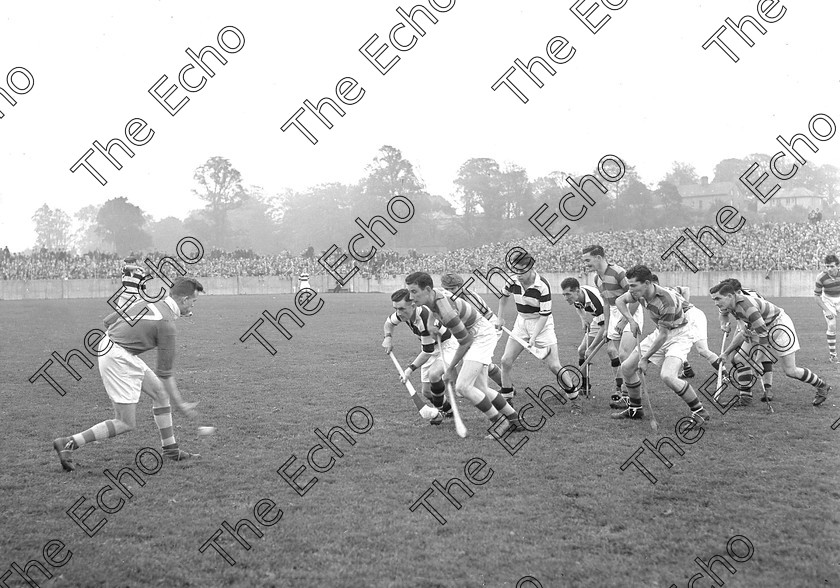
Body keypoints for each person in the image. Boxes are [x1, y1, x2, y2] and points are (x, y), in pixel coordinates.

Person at [52, 277, 204, 472]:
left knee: (160, 394)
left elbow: (108, 321)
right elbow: (165, 373)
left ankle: (171, 450)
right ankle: (68, 443)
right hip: (118, 356)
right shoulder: (167, 325)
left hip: (113, 346)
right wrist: (181, 404)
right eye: (193, 301)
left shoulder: (151, 300)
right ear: (183, 299)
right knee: (125, 421)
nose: (193, 305)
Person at [405, 272, 522, 434]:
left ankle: (500, 422)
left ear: (426, 289)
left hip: (480, 335)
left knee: (463, 387)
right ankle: (515, 419)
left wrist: (450, 368)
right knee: (480, 388)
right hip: (473, 334)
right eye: (409, 291)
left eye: (414, 292)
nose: (410, 297)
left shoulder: (446, 311)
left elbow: (465, 342)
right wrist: (432, 324)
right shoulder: (434, 293)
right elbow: (432, 308)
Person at [613, 265, 711, 426]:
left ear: (646, 283)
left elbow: (664, 336)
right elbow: (620, 300)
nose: (630, 289)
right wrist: (631, 320)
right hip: (660, 332)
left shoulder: (666, 300)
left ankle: (700, 411)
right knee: (627, 368)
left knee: (668, 376)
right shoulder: (638, 292)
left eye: (633, 285)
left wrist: (645, 359)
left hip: (679, 335)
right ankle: (635, 409)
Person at [711, 281, 831, 406]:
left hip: (779, 326)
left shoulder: (748, 307)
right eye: (714, 299)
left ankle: (822, 385)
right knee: (739, 358)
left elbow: (763, 336)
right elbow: (736, 325)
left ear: (730, 296)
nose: (716, 303)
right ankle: (745, 398)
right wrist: (725, 353)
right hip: (760, 327)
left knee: (790, 371)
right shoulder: (728, 304)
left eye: (718, 299)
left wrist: (758, 361)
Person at [495, 254, 582, 414]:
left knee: (554, 365)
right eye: (516, 270)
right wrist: (500, 318)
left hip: (542, 325)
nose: (518, 275)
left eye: (522, 271)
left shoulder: (542, 285)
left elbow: (544, 315)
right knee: (505, 361)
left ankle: (575, 400)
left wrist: (534, 337)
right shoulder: (512, 280)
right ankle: (507, 403)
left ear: (531, 268)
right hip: (521, 322)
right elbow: (503, 297)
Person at [582, 245, 644, 409]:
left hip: (630, 311)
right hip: (615, 314)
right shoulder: (597, 278)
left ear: (599, 257)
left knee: (625, 355)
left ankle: (632, 397)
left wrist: (626, 320)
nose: (586, 264)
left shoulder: (618, 272)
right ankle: (625, 394)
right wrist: (609, 326)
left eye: (588, 260)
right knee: (616, 353)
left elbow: (636, 297)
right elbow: (606, 303)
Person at [382, 289, 453, 425]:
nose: (398, 313)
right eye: (396, 309)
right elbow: (388, 324)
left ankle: (439, 411)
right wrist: (388, 338)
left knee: (434, 375)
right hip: (430, 347)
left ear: (413, 306)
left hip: (447, 346)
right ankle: (449, 412)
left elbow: (427, 351)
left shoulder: (424, 319)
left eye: (402, 309)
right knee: (427, 392)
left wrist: (409, 370)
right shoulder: (402, 314)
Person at [439, 273, 506, 395]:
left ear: (461, 286)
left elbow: (483, 318)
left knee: (478, 361)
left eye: (453, 289)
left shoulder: (470, 298)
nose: (449, 292)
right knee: (484, 363)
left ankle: (483, 391)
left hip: (488, 327)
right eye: (446, 289)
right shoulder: (445, 298)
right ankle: (506, 387)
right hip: (471, 330)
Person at [712, 278, 772, 404]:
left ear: (736, 292)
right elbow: (723, 314)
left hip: (760, 322)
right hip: (743, 322)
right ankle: (746, 387)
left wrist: (758, 358)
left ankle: (767, 389)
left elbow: (759, 328)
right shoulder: (725, 299)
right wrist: (724, 325)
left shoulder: (749, 300)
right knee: (736, 358)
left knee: (761, 355)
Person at [560, 277, 605, 397]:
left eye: (568, 294)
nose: (565, 298)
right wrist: (584, 319)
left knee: (612, 352)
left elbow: (604, 327)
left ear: (577, 291)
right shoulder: (576, 297)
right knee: (582, 351)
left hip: (612, 318)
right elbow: (578, 307)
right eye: (564, 294)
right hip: (599, 319)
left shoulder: (596, 301)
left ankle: (620, 390)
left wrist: (592, 348)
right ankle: (585, 387)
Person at [814, 254, 840, 363]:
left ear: (838, 266)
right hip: (828, 300)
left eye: (832, 266)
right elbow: (816, 296)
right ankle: (833, 356)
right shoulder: (821, 277)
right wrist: (827, 310)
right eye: (827, 266)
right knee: (832, 324)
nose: (829, 269)